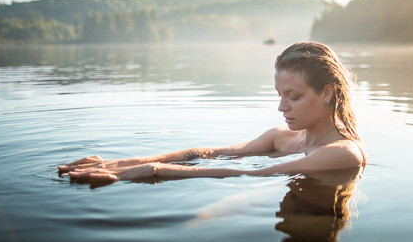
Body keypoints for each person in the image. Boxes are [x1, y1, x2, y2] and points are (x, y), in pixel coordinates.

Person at [58, 42, 366, 183]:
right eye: (280, 96)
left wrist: (156, 172)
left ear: (326, 92)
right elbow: (208, 153)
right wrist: (129, 161)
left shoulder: (343, 153)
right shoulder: (280, 137)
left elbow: (253, 173)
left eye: (293, 97)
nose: (281, 107)